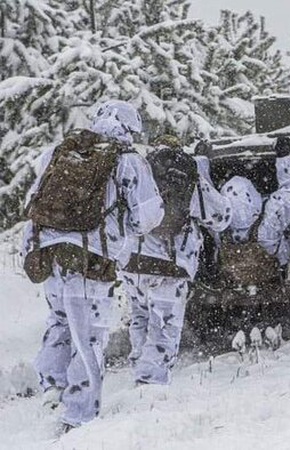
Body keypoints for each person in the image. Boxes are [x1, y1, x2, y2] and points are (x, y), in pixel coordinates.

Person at [20, 100, 164, 431]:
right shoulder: (128, 161)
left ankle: (52, 387)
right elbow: (148, 216)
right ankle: (79, 416)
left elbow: (32, 202)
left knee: (59, 321)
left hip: (50, 255)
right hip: (91, 259)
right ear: (129, 128)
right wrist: (123, 227)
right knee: (89, 338)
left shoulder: (59, 152)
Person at [118, 135, 232, 386]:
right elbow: (220, 217)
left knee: (140, 317)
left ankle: (139, 369)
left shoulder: (137, 172)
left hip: (132, 262)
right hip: (169, 265)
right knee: (164, 326)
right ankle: (150, 382)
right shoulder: (186, 176)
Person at [217, 136, 290, 284]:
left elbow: (203, 201)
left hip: (234, 285)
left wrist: (201, 160)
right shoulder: (269, 221)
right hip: (273, 279)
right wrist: (283, 157)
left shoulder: (220, 226)